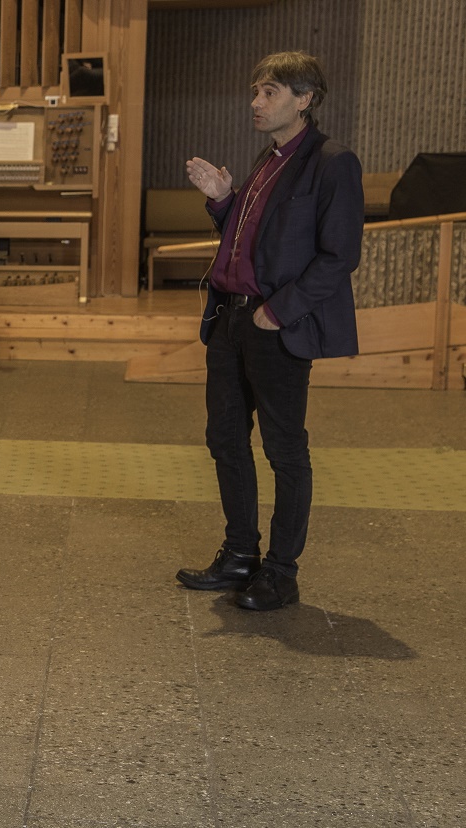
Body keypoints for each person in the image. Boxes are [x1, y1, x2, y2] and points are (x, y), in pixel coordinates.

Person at [176, 51, 364, 612]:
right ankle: (240, 555)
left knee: (285, 451)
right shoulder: (269, 158)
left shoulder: (332, 162)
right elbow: (253, 237)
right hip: (230, 320)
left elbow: (339, 255)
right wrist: (222, 200)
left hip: (276, 324)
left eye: (270, 92)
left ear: (305, 99)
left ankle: (281, 572)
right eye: (256, 91)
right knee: (225, 439)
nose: (256, 103)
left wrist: (278, 312)